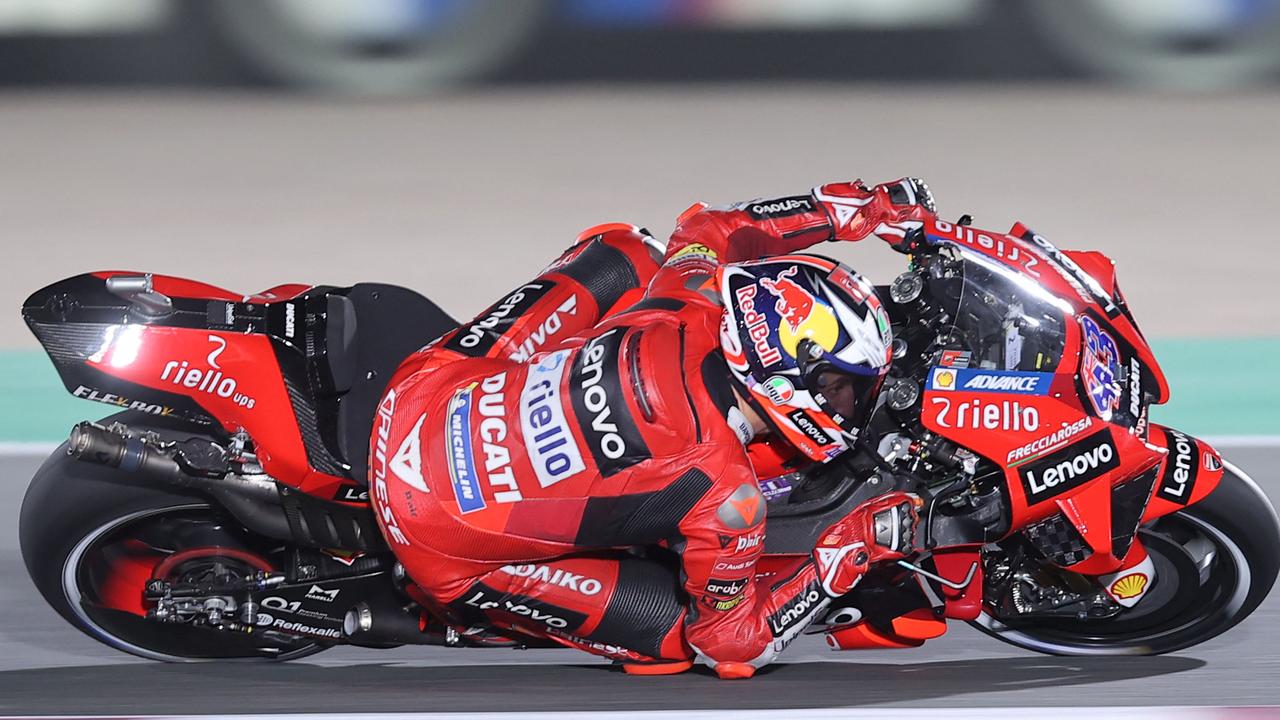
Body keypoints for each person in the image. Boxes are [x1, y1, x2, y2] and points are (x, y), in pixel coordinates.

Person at [369, 177, 936, 678]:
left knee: (629, 250)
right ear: (784, 380)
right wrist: (852, 550)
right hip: (429, 533)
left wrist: (846, 210)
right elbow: (732, 645)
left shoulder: (690, 300)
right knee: (672, 641)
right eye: (843, 386)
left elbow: (710, 225)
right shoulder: (726, 495)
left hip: (418, 394)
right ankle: (466, 602)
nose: (852, 401)